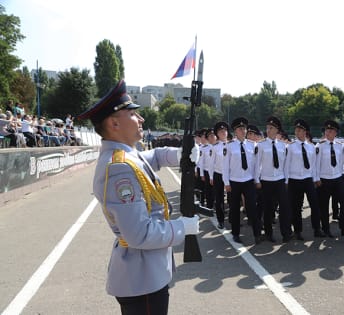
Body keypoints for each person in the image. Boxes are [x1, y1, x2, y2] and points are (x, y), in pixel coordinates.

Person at [77, 80, 200, 315]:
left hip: (145, 274)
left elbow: (149, 159)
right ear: (114, 123)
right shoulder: (119, 168)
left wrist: (177, 153)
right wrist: (182, 227)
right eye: (133, 114)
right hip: (142, 278)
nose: (141, 119)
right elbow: (139, 234)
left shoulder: (125, 155)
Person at [223, 117, 262, 244]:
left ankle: (257, 234)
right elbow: (225, 166)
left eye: (244, 128)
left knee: (252, 208)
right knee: (234, 209)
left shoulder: (252, 145)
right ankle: (235, 234)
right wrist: (226, 183)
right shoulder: (229, 146)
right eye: (240, 129)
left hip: (248, 181)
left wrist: (256, 179)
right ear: (235, 131)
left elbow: (256, 165)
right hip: (234, 182)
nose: (243, 130)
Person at [315, 120, 344, 237]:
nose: (328, 133)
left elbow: (342, 161)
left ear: (335, 133)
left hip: (338, 178)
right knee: (324, 205)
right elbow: (316, 163)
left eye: (330, 131)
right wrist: (317, 178)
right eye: (326, 130)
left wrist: (341, 173)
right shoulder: (320, 145)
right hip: (324, 179)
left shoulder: (340, 145)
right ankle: (326, 229)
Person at [285, 119, 325, 240]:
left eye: (300, 130)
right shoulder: (290, 147)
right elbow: (286, 165)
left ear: (305, 132)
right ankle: (298, 231)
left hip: (308, 179)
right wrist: (286, 181)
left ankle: (317, 229)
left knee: (315, 204)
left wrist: (316, 178)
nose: (297, 132)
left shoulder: (311, 147)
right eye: (296, 130)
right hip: (294, 179)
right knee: (296, 207)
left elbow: (314, 165)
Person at [255, 116, 293, 242]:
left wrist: (286, 180)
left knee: (284, 208)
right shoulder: (261, 145)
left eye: (271, 128)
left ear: (277, 130)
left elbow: (286, 165)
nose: (268, 130)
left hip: (280, 180)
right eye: (267, 128)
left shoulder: (283, 146)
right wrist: (257, 180)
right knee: (268, 208)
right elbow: (257, 164)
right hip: (266, 180)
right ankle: (268, 233)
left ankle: (286, 233)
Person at [208, 121, 229, 229]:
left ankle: (232, 219)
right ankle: (221, 220)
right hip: (218, 175)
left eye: (225, 130)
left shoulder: (232, 144)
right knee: (219, 198)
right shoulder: (214, 147)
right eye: (221, 131)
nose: (224, 132)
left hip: (231, 175)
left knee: (232, 198)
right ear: (217, 134)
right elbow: (211, 163)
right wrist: (211, 176)